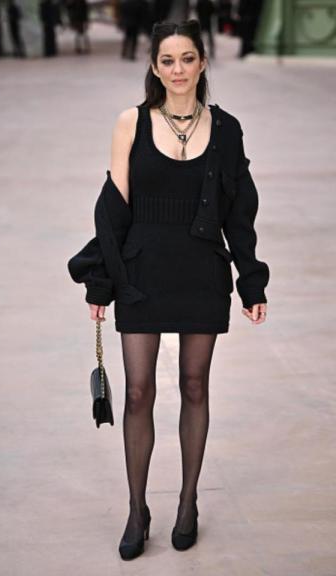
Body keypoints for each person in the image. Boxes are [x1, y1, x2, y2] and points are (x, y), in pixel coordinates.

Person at [68, 20, 269, 561]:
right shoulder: (130, 122)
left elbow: (240, 213)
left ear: (202, 63)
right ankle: (138, 510)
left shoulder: (226, 129)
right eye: (167, 60)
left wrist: (251, 281)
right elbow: (113, 209)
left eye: (187, 58)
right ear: (154, 68)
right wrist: (100, 281)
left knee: (195, 385)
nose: (177, 69)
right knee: (138, 392)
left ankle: (187, 502)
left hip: (202, 271)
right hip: (141, 272)